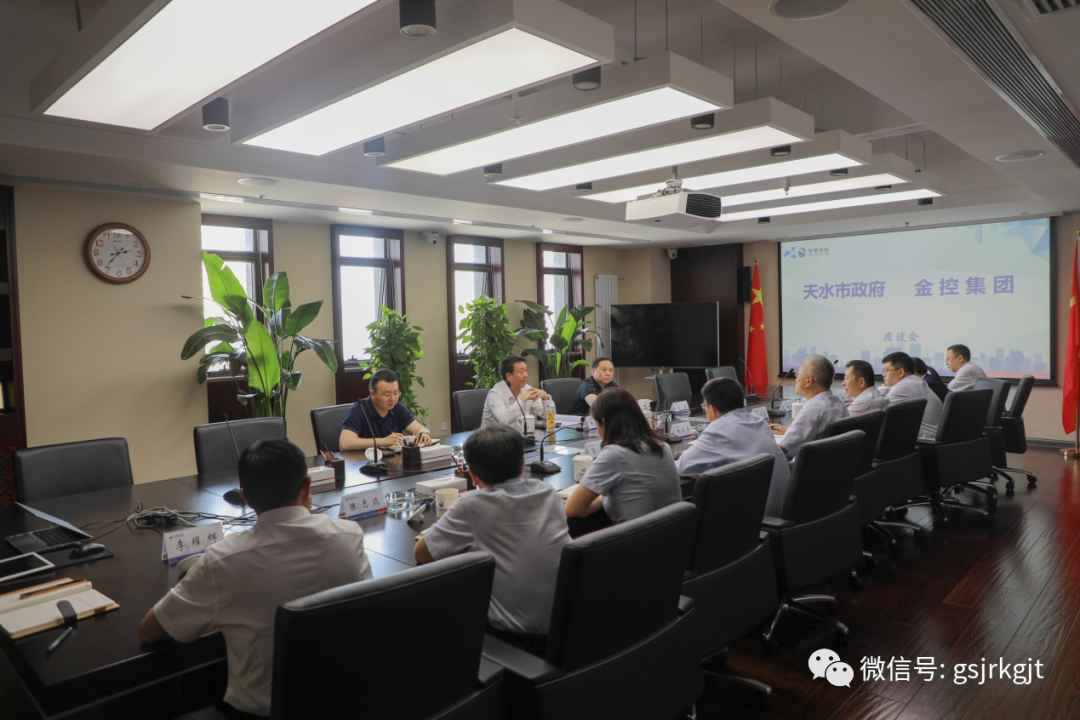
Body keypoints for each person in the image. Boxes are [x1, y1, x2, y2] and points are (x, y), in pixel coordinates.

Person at [139, 439, 372, 717]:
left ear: (245, 498)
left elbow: (150, 631)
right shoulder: (349, 536)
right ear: (307, 486)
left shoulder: (224, 560)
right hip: (346, 706)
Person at [415, 424, 570, 650]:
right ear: (522, 465)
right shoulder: (548, 492)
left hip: (515, 642)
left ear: (473, 475)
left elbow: (421, 554)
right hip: (565, 628)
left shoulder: (471, 505)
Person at [676, 377, 791, 517]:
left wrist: (709, 468)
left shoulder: (719, 430)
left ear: (712, 409)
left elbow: (682, 467)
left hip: (757, 518)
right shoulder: (758, 422)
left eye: (704, 406)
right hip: (783, 511)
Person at [565, 387, 682, 523]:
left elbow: (571, 509)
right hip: (672, 532)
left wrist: (603, 494)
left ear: (604, 422)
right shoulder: (662, 446)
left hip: (639, 534)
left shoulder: (614, 454)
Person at [769, 354, 848, 464]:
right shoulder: (839, 404)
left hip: (803, 471)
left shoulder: (811, 412)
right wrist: (789, 431)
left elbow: (780, 453)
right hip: (832, 467)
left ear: (808, 381)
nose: (796, 379)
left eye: (797, 374)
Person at [339, 368, 431, 451]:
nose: (392, 399)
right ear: (373, 394)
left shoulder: (397, 407)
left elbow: (419, 429)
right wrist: (383, 441)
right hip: (364, 461)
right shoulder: (359, 409)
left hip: (393, 461)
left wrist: (424, 433)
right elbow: (345, 443)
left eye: (396, 393)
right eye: (387, 395)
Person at [882, 351, 943, 441]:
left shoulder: (903, 387)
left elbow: (879, 412)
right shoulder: (916, 382)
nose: (883, 374)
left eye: (886, 370)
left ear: (901, 372)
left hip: (925, 440)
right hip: (934, 437)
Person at [481, 355, 551, 431]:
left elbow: (547, 416)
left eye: (526, 370)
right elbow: (504, 420)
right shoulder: (495, 394)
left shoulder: (527, 389)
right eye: (521, 371)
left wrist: (545, 398)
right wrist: (523, 399)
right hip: (493, 436)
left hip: (518, 435)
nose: (525, 375)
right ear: (509, 376)